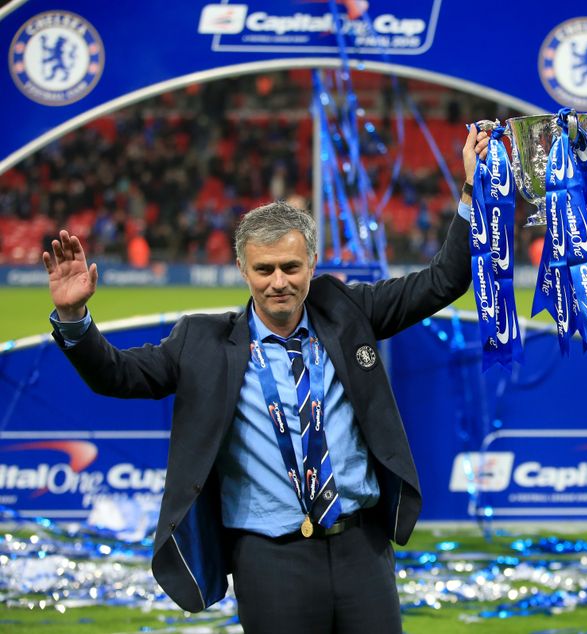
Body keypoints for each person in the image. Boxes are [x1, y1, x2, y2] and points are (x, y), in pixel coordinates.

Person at [41, 126, 490, 632]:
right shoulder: (202, 343)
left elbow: (442, 281)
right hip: (267, 558)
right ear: (243, 269)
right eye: (265, 269)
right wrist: (76, 320)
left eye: (292, 267)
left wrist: (472, 192)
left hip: (361, 547)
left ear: (313, 264)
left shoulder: (348, 312)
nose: (279, 281)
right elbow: (116, 376)